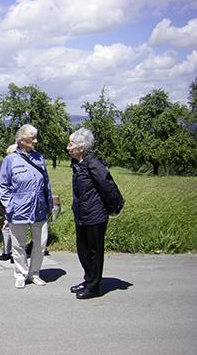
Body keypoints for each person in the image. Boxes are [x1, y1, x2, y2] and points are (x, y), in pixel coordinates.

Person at [0, 125, 53, 289]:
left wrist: (49, 204)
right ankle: (21, 274)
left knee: (41, 242)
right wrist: (10, 206)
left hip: (39, 208)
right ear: (22, 140)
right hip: (18, 209)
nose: (36, 141)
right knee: (18, 244)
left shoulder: (39, 158)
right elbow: (3, 186)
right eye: (32, 138)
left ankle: (34, 273)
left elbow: (46, 183)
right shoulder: (10, 160)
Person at [67, 127, 115, 299]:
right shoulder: (78, 164)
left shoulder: (94, 164)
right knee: (83, 250)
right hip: (82, 214)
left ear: (81, 147)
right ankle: (88, 279)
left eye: (71, 144)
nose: (68, 147)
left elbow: (108, 186)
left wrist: (115, 207)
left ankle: (94, 287)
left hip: (95, 215)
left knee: (94, 252)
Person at [0, 144, 17, 263]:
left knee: (7, 226)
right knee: (10, 226)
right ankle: (10, 252)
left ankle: (8, 252)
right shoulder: (2, 164)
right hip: (11, 199)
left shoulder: (1, 164)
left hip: (7, 199)